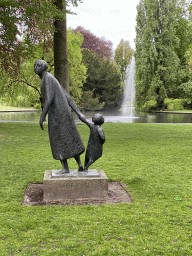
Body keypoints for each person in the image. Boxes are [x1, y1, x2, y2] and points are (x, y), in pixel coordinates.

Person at [34, 59, 86, 174]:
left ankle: (65, 168)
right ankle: (80, 164)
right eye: (34, 66)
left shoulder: (46, 79)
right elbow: (66, 95)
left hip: (57, 115)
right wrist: (77, 112)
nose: (35, 68)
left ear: (43, 67)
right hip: (64, 113)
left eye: (38, 65)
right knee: (70, 137)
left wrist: (42, 117)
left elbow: (48, 100)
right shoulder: (51, 78)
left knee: (58, 139)